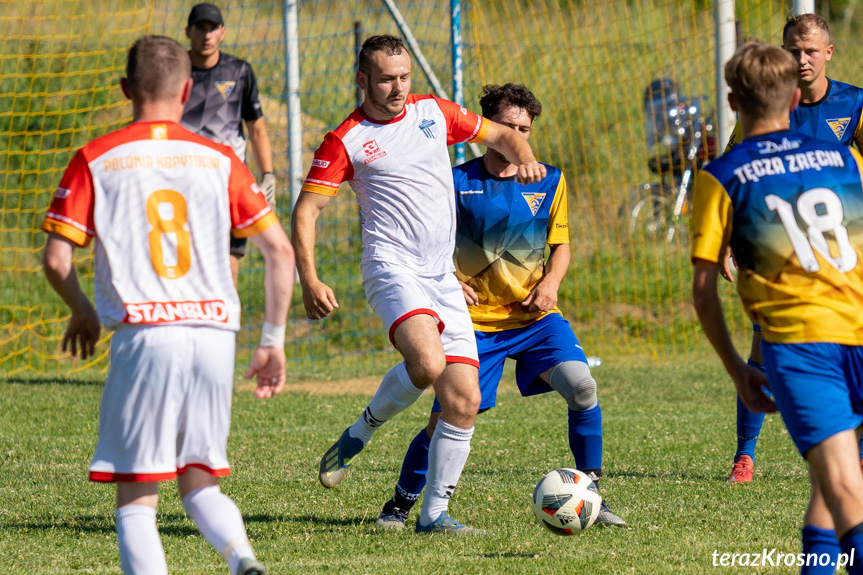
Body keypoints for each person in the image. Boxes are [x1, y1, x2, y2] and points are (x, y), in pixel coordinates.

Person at [41, 35, 294, 575]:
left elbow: (57, 260)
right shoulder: (221, 158)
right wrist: (271, 340)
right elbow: (279, 250)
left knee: (137, 503)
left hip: (145, 336)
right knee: (199, 483)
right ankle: (243, 559)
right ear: (186, 89)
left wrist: (83, 310)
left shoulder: (95, 157)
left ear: (126, 89)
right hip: (213, 335)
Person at [291, 35, 546, 534]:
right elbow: (306, 210)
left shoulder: (434, 113)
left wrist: (527, 155)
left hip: (440, 275)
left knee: (464, 400)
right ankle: (361, 432)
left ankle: (433, 515)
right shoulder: (345, 138)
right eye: (386, 79)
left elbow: (502, 136)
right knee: (427, 364)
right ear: (362, 80)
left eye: (404, 76)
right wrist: (309, 278)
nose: (398, 88)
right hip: (391, 267)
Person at [373, 83, 625, 530]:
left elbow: (560, 246)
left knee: (583, 388)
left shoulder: (551, 179)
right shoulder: (454, 182)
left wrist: (552, 282)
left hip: (534, 318)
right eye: (508, 127)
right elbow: (422, 244)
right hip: (470, 323)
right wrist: (449, 279)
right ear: (487, 130)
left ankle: (590, 495)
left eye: (525, 129)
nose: (518, 136)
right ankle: (399, 505)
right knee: (446, 418)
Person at [692, 41, 863, 574]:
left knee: (840, 480)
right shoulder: (841, 156)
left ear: (732, 102)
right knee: (835, 479)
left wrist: (739, 371)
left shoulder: (721, 175)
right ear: (795, 98)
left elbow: (703, 288)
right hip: (857, 326)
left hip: (800, 344)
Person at [722, 13, 863, 484]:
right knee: (765, 343)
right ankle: (745, 455)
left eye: (810, 51)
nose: (801, 59)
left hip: (841, 249)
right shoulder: (768, 104)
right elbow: (731, 171)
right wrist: (725, 241)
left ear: (828, 53)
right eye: (792, 51)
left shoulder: (854, 103)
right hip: (779, 247)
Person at [181, 2, 276, 286]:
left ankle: (225, 329)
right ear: (188, 31)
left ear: (222, 32)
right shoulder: (174, 71)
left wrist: (268, 175)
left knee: (228, 269)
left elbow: (256, 128)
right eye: (201, 28)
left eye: (212, 28)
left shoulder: (239, 72)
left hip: (229, 183)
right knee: (186, 268)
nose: (206, 35)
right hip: (184, 182)